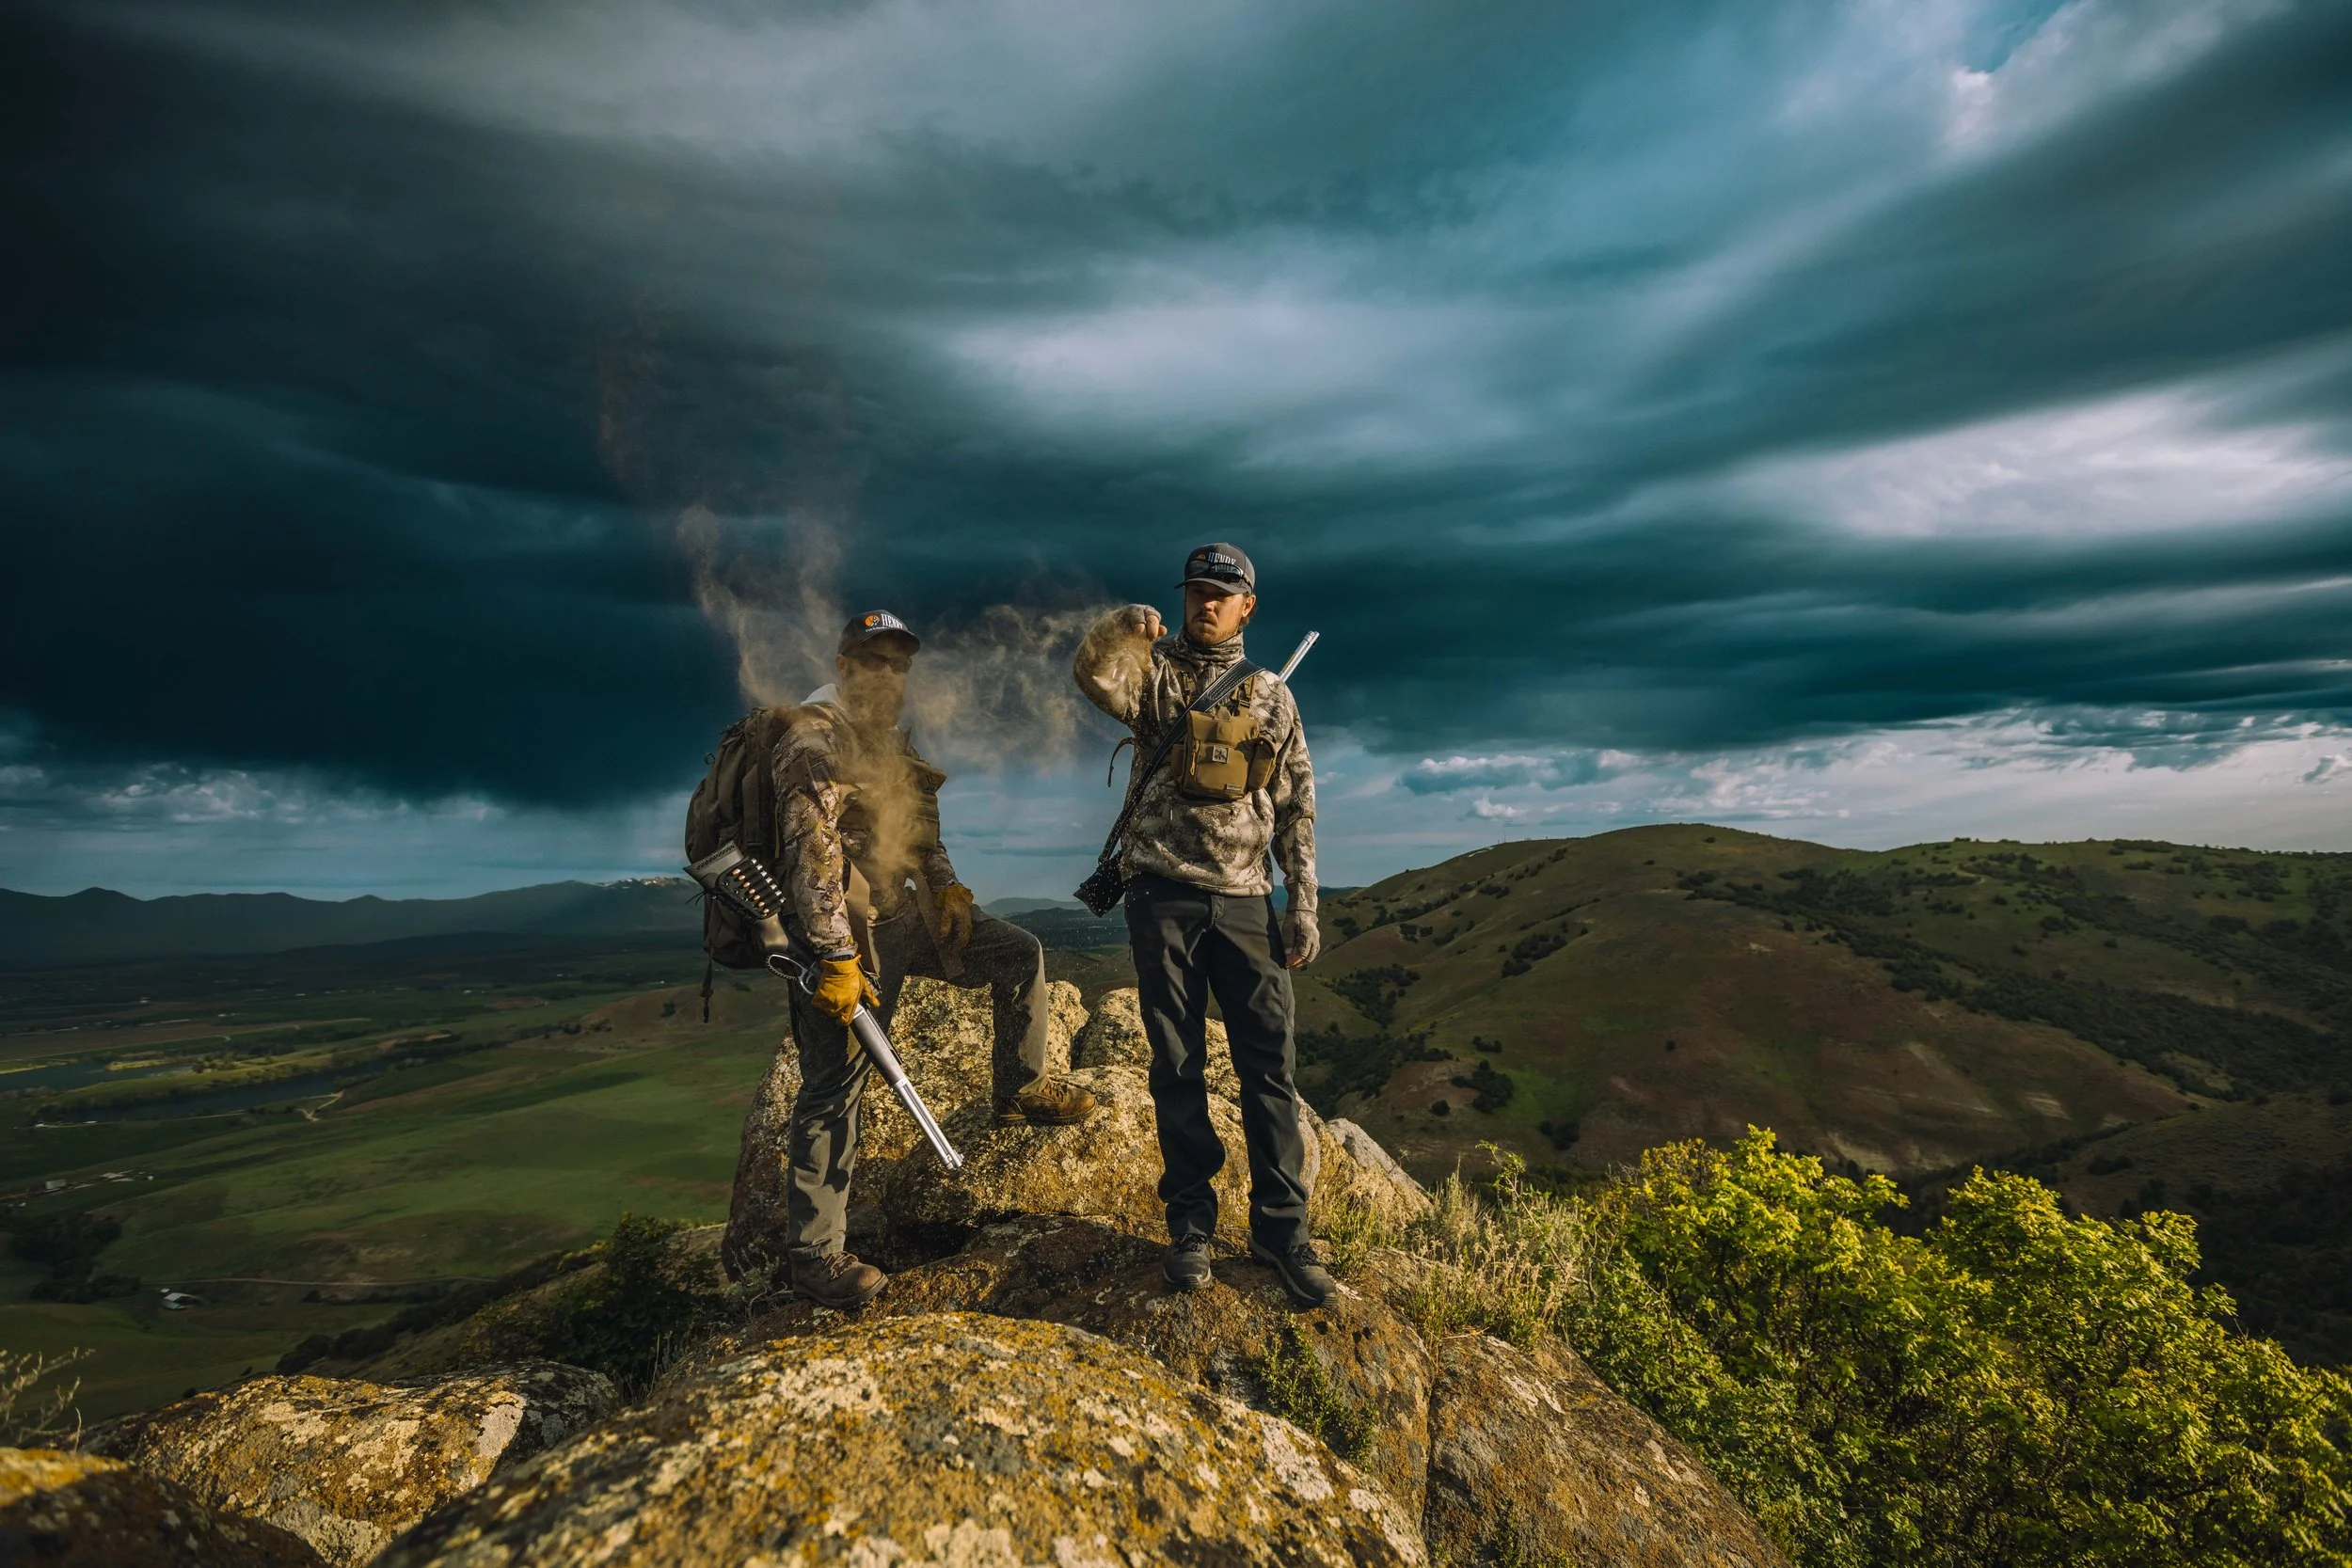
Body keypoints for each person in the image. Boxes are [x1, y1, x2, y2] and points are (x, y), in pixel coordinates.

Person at [723, 610, 1097, 1308]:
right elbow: (812, 856)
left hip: (903, 918)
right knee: (836, 1084)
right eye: (872, 662)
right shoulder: (812, 734)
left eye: (897, 665)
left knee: (1018, 954)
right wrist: (834, 958)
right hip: (838, 935)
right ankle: (815, 1259)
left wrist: (948, 885)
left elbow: (917, 829)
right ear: (844, 666)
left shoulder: (887, 739)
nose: (887, 676)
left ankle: (1020, 1086)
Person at [1071, 544, 1332, 1306]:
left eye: (1222, 594)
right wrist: (1119, 626)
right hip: (1164, 898)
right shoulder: (1154, 675)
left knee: (1269, 1071)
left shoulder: (1273, 695)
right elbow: (1091, 675)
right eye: (1197, 591)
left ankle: (1283, 1231)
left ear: (1247, 606)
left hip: (1248, 901)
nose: (1206, 602)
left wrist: (1304, 902)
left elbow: (1297, 802)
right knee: (1177, 1068)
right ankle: (1190, 1225)